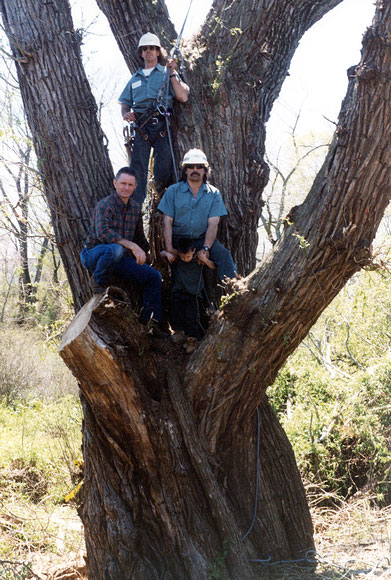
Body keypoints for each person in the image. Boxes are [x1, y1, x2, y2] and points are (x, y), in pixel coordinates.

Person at [80, 167, 163, 326]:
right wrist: (131, 245)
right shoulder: (105, 205)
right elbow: (103, 233)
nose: (126, 188)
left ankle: (150, 323)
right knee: (115, 249)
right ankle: (97, 281)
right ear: (115, 183)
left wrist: (147, 254)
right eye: (123, 183)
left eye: (130, 185)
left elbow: (139, 237)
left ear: (135, 187)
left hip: (119, 260)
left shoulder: (135, 208)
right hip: (94, 255)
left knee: (153, 276)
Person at [119, 32, 190, 205]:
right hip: (141, 128)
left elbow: (183, 96)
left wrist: (172, 73)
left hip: (161, 125)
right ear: (141, 53)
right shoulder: (134, 79)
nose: (149, 51)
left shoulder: (167, 73)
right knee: (137, 171)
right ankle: (135, 209)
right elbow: (124, 104)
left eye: (152, 48)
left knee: (164, 168)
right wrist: (125, 114)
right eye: (145, 49)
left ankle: (162, 203)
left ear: (158, 52)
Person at [157, 149, 236, 283]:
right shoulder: (173, 191)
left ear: (205, 170)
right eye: (190, 167)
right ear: (185, 170)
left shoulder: (214, 194)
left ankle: (234, 291)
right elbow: (167, 221)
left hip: (201, 240)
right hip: (179, 240)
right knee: (183, 278)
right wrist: (170, 248)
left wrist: (206, 248)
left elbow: (213, 224)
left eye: (199, 166)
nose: (195, 170)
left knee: (224, 256)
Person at [161, 237, 215, 350]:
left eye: (188, 256)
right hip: (178, 292)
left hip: (193, 294)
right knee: (177, 314)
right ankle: (179, 334)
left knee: (192, 317)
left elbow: (213, 266)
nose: (186, 259)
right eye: (183, 257)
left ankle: (192, 340)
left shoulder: (198, 260)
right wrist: (167, 253)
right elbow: (160, 254)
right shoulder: (177, 259)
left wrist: (204, 260)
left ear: (194, 251)